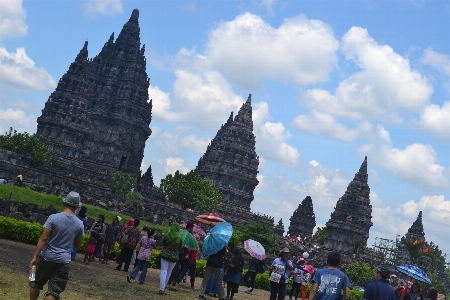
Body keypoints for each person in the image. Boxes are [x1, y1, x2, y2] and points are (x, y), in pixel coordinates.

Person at [28, 191, 84, 300]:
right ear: (77, 207)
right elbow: (77, 244)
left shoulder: (53, 218)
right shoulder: (79, 224)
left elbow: (44, 238)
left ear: (64, 203)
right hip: (63, 260)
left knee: (36, 282)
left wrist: (35, 256)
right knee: (54, 291)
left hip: (47, 256)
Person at [159, 223, 183, 295]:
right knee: (169, 272)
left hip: (165, 255)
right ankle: (164, 287)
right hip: (174, 257)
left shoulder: (167, 235)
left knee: (163, 271)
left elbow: (161, 243)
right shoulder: (180, 238)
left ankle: (161, 288)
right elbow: (180, 248)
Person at [173, 222, 198, 290]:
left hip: (187, 258)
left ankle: (177, 282)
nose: (192, 229)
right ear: (190, 227)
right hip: (191, 259)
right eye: (192, 228)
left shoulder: (184, 233)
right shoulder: (190, 238)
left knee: (183, 270)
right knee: (191, 273)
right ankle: (191, 286)